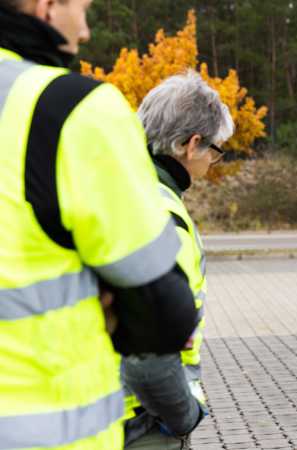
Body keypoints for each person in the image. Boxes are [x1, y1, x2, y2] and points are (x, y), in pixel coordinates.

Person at [0, 0, 197, 449]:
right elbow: (165, 315)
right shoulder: (71, 108)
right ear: (45, 6)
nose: (86, 32)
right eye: (82, 10)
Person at [121, 72, 235, 449]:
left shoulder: (118, 190)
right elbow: (149, 356)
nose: (213, 163)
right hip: (142, 422)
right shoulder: (162, 218)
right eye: (216, 151)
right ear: (192, 144)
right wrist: (183, 414)